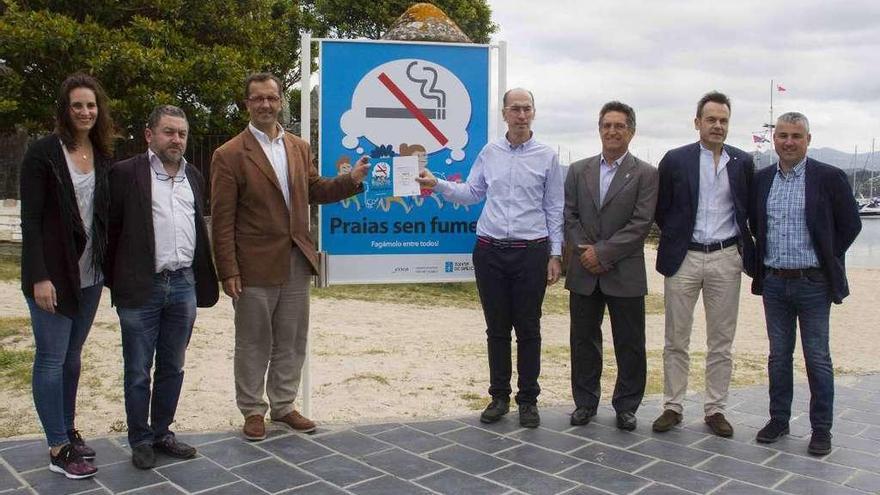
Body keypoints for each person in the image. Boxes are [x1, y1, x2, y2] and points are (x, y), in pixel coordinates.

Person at [211, 73, 368, 441]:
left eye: (271, 97)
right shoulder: (229, 154)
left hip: (296, 259)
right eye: (257, 99)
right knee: (253, 341)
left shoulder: (298, 147)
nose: (265, 104)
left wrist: (352, 180)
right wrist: (227, 269)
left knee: (292, 338)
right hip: (253, 265)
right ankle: (252, 409)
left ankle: (283, 405)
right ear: (246, 104)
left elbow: (315, 189)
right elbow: (222, 220)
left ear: (281, 100)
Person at [416, 87, 564, 428]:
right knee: (496, 329)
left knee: (529, 329)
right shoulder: (490, 152)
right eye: (515, 109)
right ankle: (499, 396)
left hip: (531, 251)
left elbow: (554, 208)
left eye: (527, 108)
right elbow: (471, 193)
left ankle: (528, 399)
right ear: (504, 114)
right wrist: (435, 182)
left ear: (534, 113)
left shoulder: (547, 156)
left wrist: (555, 254)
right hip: (490, 251)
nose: (522, 115)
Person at [105, 105, 219, 469]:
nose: (176, 139)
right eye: (169, 132)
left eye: (182, 133)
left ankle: (162, 433)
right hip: (141, 286)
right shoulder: (125, 174)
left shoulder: (195, 177)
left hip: (183, 284)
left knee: (173, 365)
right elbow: (109, 232)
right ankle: (139, 439)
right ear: (149, 134)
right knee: (138, 368)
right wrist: (118, 281)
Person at [20, 73, 114, 479]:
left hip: (89, 276)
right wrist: (40, 277)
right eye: (77, 105)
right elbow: (32, 220)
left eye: (91, 105)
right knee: (51, 359)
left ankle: (68, 431)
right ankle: (57, 446)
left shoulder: (102, 153)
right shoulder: (43, 153)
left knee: (72, 359)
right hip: (53, 277)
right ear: (65, 109)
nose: (85, 112)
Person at [749, 112, 861, 455]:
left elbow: (850, 225)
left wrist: (826, 254)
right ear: (775, 139)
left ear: (807, 140)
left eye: (796, 135)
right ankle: (779, 420)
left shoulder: (828, 178)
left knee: (817, 357)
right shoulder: (763, 179)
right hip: (774, 283)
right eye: (782, 135)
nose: (788, 141)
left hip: (813, 283)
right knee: (778, 356)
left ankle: (821, 429)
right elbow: (755, 224)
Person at [652, 91, 755, 437]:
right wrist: (680, 238)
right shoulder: (675, 160)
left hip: (726, 259)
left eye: (723, 120)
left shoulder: (742, 163)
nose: (717, 125)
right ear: (697, 123)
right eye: (711, 119)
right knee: (675, 337)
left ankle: (715, 409)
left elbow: (748, 210)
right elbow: (661, 208)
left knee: (721, 341)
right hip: (685, 257)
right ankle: (673, 406)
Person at [564, 101, 658, 430]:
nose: (612, 131)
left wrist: (602, 253)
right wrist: (584, 252)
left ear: (630, 131)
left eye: (619, 126)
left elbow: (641, 223)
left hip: (624, 270)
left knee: (630, 342)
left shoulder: (646, 173)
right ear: (599, 129)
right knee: (583, 340)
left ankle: (627, 405)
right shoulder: (578, 170)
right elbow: (569, 215)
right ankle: (585, 402)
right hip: (583, 271)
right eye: (607, 125)